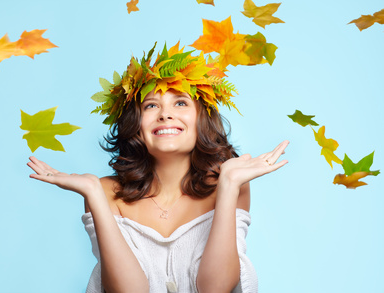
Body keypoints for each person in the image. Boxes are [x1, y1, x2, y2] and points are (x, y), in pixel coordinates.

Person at [27, 42, 289, 293]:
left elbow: (216, 289)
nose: (165, 114)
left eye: (181, 103)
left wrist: (229, 185)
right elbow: (128, 291)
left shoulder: (231, 185)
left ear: (202, 120)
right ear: (136, 125)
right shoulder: (105, 192)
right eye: (151, 105)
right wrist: (93, 194)